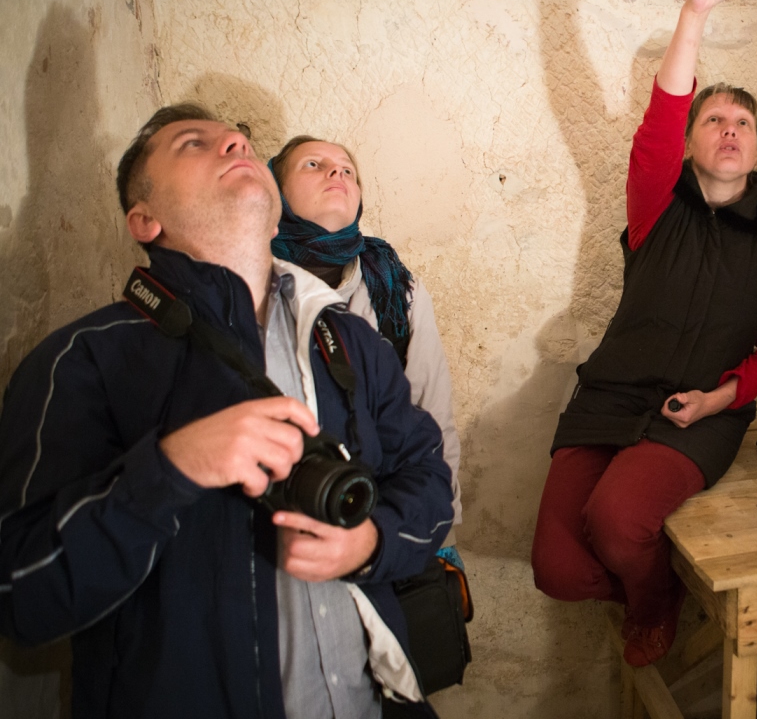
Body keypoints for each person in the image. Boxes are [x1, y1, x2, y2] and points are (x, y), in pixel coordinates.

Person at [0, 104, 454, 719]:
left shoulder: (352, 341)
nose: (235, 144)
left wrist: (371, 542)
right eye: (194, 143)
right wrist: (171, 467)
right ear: (145, 220)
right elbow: (20, 594)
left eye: (240, 140)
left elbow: (429, 477)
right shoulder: (82, 360)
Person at [530, 0, 757, 668]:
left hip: (698, 414)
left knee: (619, 522)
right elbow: (659, 118)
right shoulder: (656, 203)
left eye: (743, 122)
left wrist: (723, 398)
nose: (729, 129)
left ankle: (654, 604)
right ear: (689, 143)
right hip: (610, 395)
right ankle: (651, 585)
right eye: (713, 119)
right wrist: (695, 11)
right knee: (557, 570)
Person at [268, 136, 463, 548]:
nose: (336, 173)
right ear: (275, 192)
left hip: (377, 515)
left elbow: (432, 413)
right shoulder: (247, 283)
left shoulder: (394, 288)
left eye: (348, 170)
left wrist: (438, 537)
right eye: (313, 165)